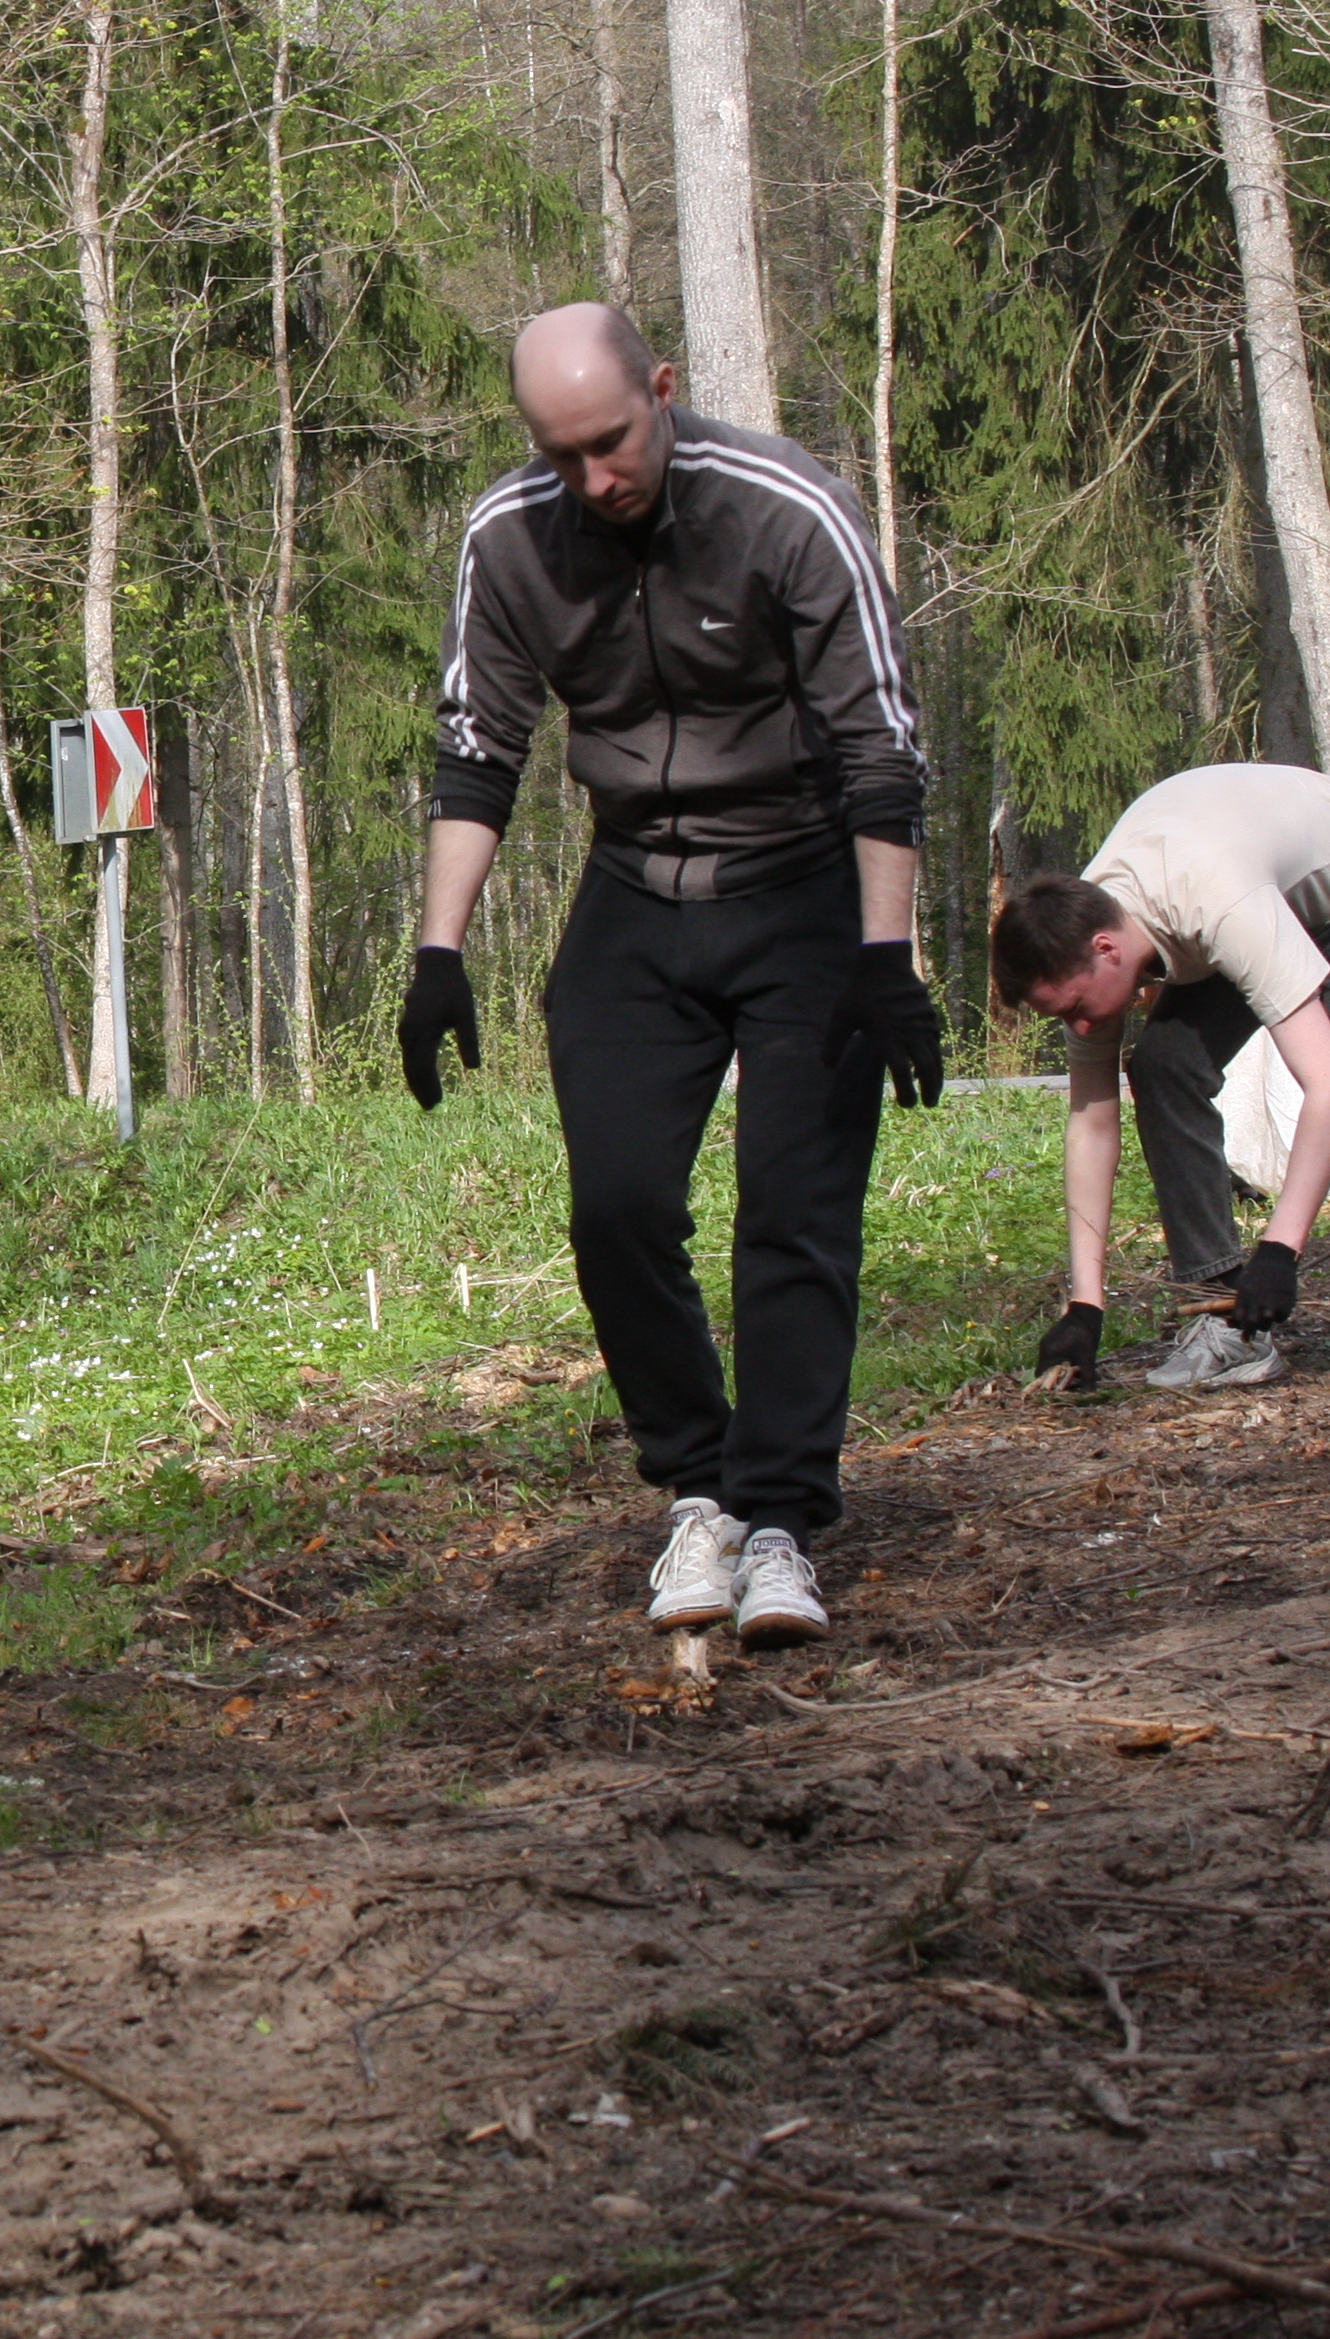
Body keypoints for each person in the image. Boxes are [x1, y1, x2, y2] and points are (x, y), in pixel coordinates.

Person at [397, 302, 938, 1650]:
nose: (595, 479)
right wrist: (438, 951)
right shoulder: (509, 537)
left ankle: (781, 1521)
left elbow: (881, 749)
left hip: (805, 885)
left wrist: (886, 958)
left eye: (611, 443)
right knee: (619, 1210)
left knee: (794, 1215)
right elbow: (480, 751)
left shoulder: (786, 510)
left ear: (664, 388)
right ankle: (701, 1489)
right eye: (561, 454)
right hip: (636, 892)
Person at [990, 764, 1330, 1393]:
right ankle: (1224, 1313)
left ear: (1106, 949)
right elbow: (1092, 1127)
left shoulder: (1218, 905)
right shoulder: (1077, 936)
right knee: (1163, 1067)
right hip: (1253, 891)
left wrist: (1280, 1251)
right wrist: (1085, 1307)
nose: (1080, 1027)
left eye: (1073, 1008)